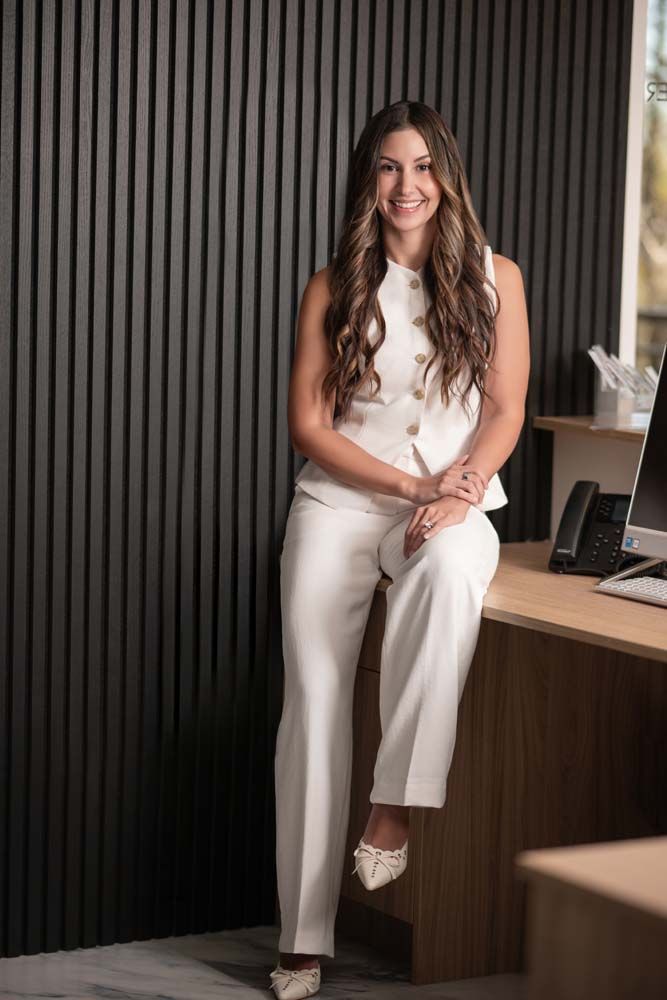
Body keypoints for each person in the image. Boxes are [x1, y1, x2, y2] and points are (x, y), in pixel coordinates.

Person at [269, 100, 530, 999]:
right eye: (387, 167)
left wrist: (457, 491)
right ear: (367, 181)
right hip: (340, 504)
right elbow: (308, 427)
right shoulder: (330, 286)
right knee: (314, 701)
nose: (405, 186)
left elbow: (504, 410)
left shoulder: (496, 278)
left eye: (421, 167)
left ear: (445, 177)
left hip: (451, 502)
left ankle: (395, 801)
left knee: (451, 570)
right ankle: (301, 938)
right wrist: (414, 489)